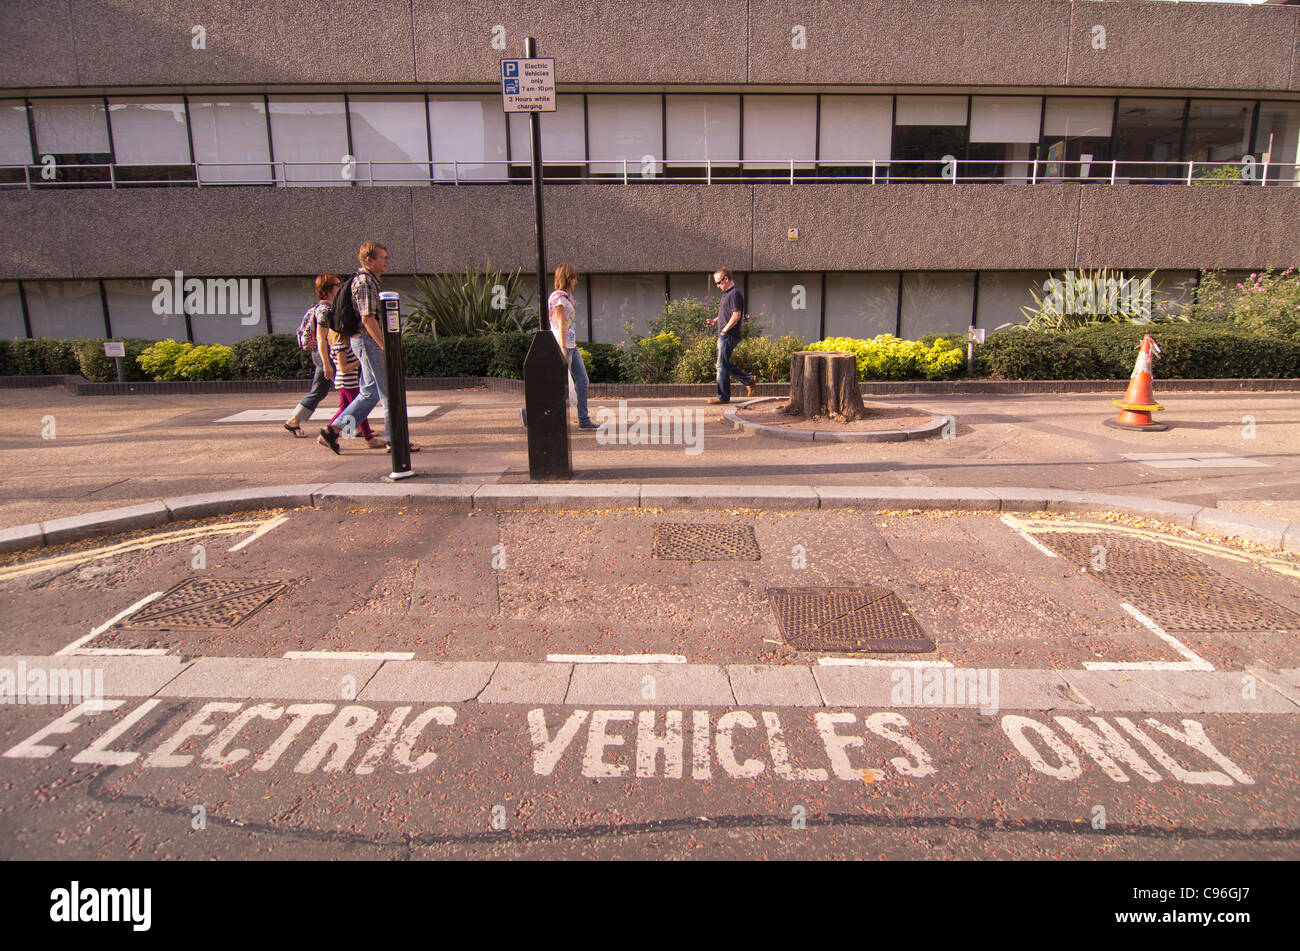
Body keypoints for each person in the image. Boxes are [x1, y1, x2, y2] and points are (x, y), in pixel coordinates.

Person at [318, 241, 420, 454]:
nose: (387, 261)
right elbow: (367, 318)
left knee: (369, 393)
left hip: (363, 342)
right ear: (369, 260)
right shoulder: (366, 282)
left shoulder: (368, 280)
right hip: (368, 341)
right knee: (389, 392)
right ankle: (396, 441)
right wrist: (386, 346)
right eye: (383, 257)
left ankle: (333, 430)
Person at [282, 273, 339, 436]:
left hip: (321, 354)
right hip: (325, 354)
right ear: (328, 289)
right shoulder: (325, 309)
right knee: (349, 390)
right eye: (337, 284)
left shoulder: (321, 307)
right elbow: (322, 338)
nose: (339, 287)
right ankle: (352, 427)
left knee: (319, 390)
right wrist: (326, 362)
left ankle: (294, 421)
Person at [549, 263, 597, 431]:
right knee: (558, 387)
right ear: (568, 278)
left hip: (571, 346)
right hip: (563, 346)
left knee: (582, 381)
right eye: (575, 278)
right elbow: (561, 323)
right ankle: (531, 414)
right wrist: (562, 347)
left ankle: (583, 420)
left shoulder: (565, 297)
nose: (577, 281)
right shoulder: (559, 299)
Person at [322, 328, 383, 448]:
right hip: (348, 382)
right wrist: (361, 361)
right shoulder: (341, 346)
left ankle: (336, 433)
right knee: (361, 407)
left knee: (345, 408)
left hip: (345, 382)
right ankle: (369, 438)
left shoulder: (339, 345)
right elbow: (344, 368)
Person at [708, 267, 757, 404]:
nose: (717, 286)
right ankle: (748, 380)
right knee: (722, 364)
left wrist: (725, 330)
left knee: (721, 365)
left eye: (718, 282)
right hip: (725, 334)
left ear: (726, 279)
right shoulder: (727, 293)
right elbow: (725, 314)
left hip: (729, 335)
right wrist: (714, 321)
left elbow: (736, 316)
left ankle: (722, 397)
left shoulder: (734, 293)